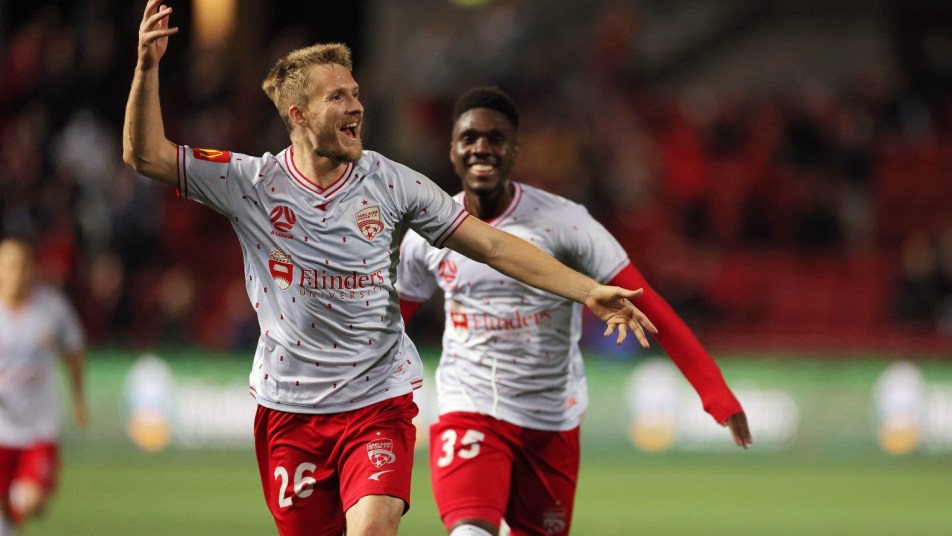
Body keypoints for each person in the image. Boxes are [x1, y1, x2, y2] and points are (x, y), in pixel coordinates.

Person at [122, 3, 657, 535]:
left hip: (378, 400)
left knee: (373, 529)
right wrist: (147, 67)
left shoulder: (392, 182)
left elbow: (492, 245)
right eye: (337, 96)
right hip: (290, 409)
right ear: (298, 115)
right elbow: (145, 155)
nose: (356, 105)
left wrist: (586, 290)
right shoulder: (251, 183)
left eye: (355, 92)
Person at [397, 86, 752, 536]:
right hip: (469, 407)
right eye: (469, 138)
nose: (481, 148)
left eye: (495, 138)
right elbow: (392, 323)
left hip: (551, 419)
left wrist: (714, 391)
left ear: (515, 151)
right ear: (452, 150)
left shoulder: (566, 222)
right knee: (470, 531)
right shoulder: (427, 232)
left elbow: (647, 303)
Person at [0, 238, 87, 536]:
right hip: (1, 428)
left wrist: (78, 398)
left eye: (23, 265)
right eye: (10, 266)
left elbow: (74, 350)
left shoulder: (52, 308)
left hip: (38, 428)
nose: (17, 273)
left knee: (32, 501)